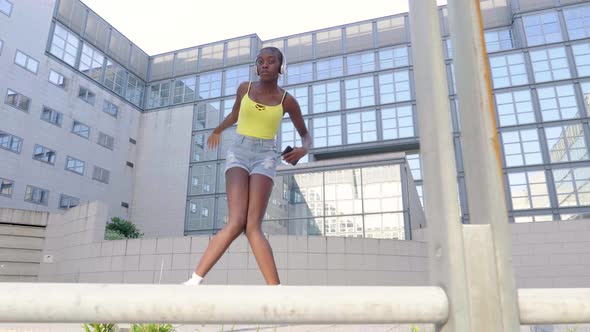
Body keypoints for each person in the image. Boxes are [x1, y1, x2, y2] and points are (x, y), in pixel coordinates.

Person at [183, 47, 311, 286]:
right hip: (239, 152)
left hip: (266, 156)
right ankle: (194, 281)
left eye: (271, 62)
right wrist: (218, 130)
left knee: (252, 226)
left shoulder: (287, 101)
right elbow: (234, 115)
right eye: (260, 61)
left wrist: (304, 149)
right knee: (235, 222)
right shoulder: (245, 88)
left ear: (280, 68)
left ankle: (276, 291)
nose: (264, 65)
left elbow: (305, 134)